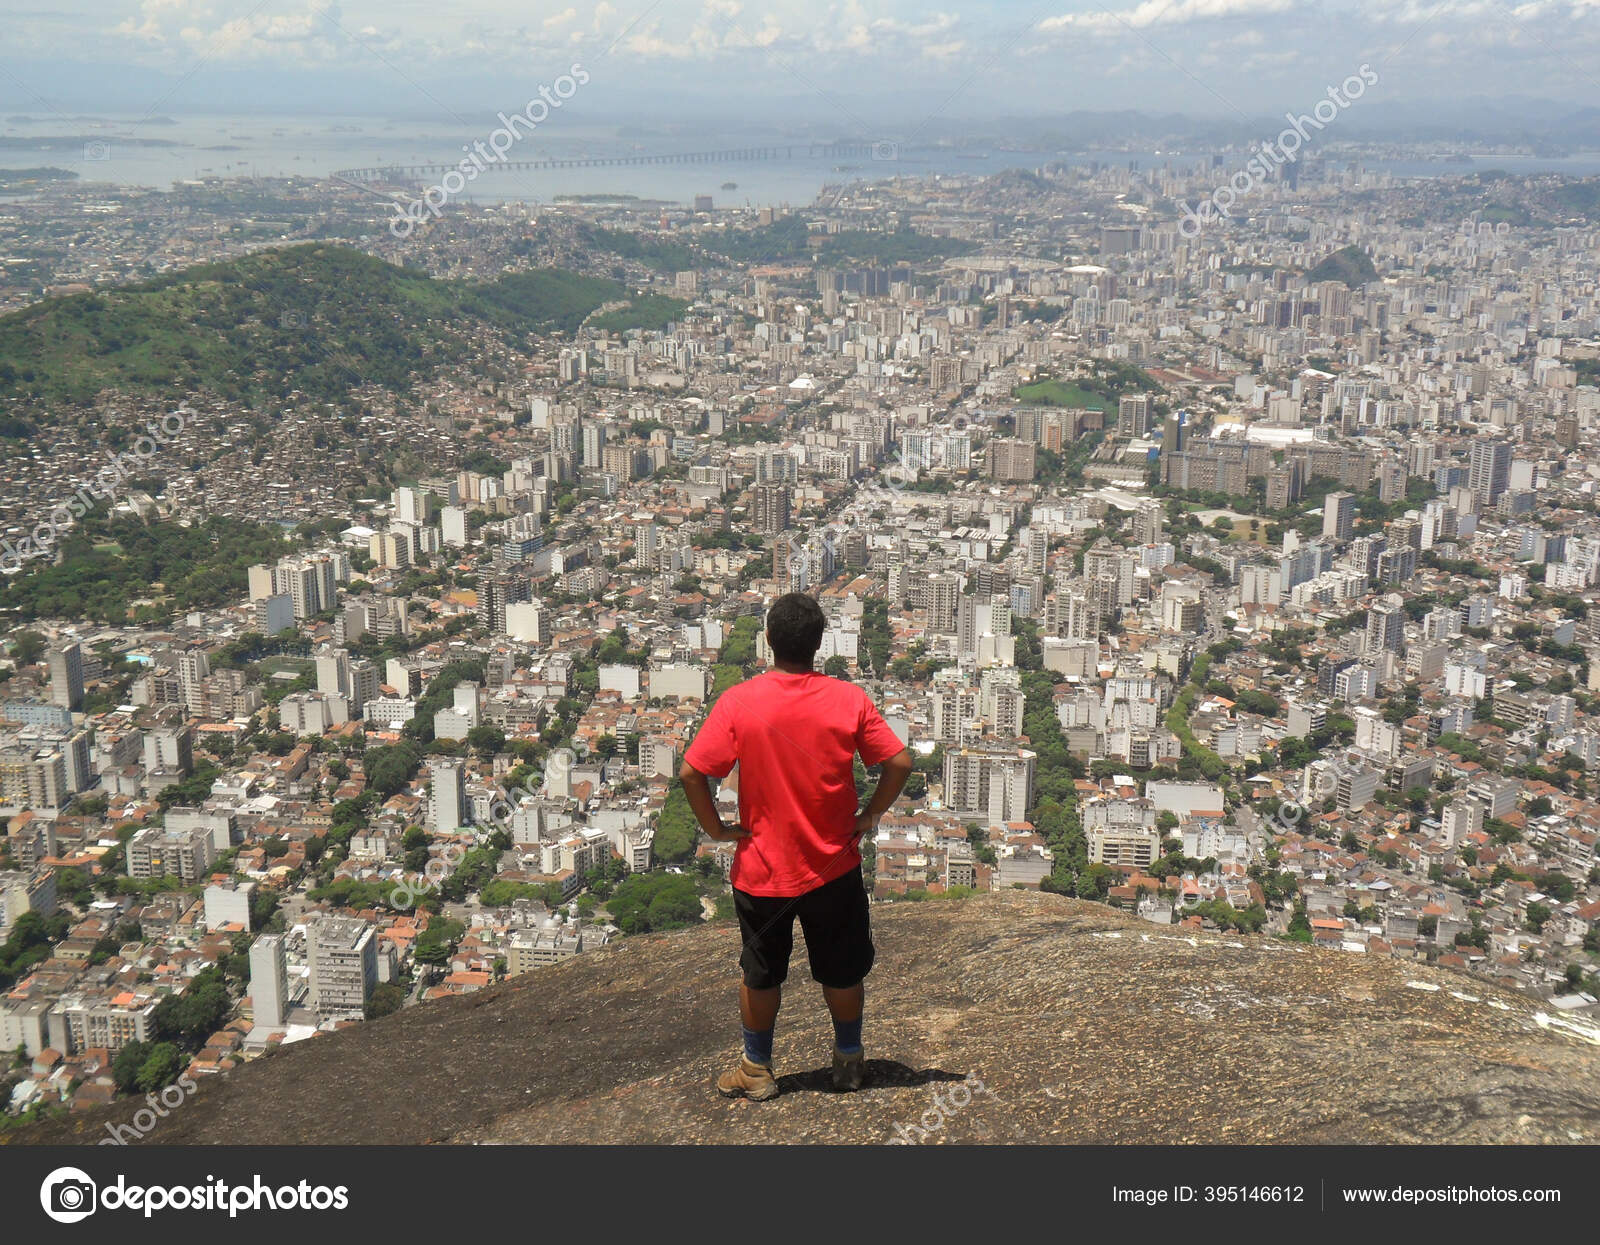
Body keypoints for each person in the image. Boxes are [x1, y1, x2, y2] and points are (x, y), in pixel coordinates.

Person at [679, 592, 913, 1101]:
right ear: (818, 643)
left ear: (769, 640)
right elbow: (898, 763)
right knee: (843, 968)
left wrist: (718, 829)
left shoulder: (740, 701)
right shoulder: (848, 700)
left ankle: (757, 1069)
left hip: (763, 870)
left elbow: (691, 773)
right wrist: (870, 815)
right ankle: (849, 1060)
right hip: (833, 865)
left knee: (761, 974)